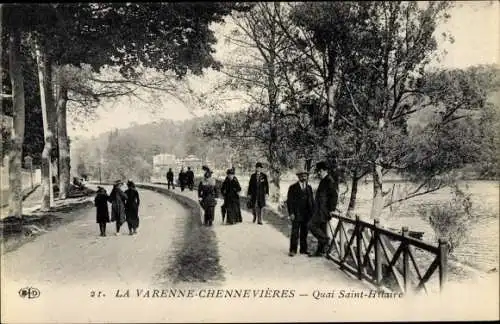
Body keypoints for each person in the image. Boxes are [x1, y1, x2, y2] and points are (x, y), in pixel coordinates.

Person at [309, 161, 339, 257]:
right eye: (318, 171)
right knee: (322, 229)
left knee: (311, 225)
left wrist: (331, 209)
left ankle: (325, 240)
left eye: (320, 171)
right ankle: (320, 251)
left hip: (324, 211)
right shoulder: (324, 180)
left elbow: (334, 196)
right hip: (320, 210)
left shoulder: (329, 180)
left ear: (324, 170)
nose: (318, 173)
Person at [286, 169, 314, 256]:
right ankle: (293, 250)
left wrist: (312, 213)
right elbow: (289, 202)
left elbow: (311, 201)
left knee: (304, 232)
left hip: (306, 214)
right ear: (298, 177)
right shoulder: (292, 187)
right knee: (295, 232)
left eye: (305, 176)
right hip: (296, 214)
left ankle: (303, 249)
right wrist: (291, 213)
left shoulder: (309, 188)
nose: (303, 177)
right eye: (301, 176)